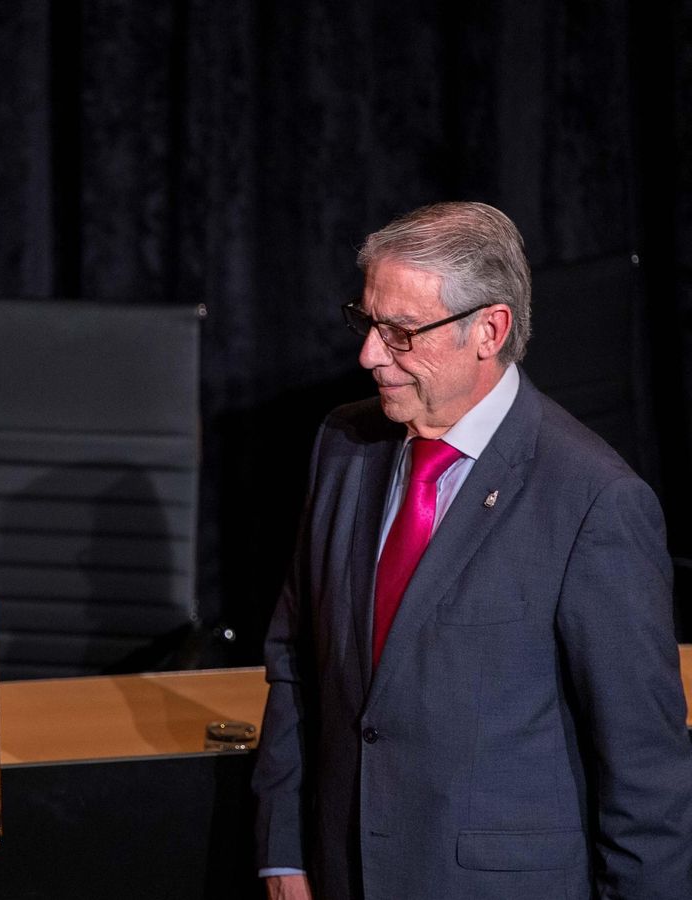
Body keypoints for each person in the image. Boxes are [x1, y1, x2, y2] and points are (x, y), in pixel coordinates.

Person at [252, 201, 692, 899]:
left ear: (490, 330)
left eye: (401, 332)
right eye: (367, 323)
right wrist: (284, 852)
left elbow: (646, 775)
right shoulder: (343, 445)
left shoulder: (595, 502)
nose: (370, 355)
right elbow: (296, 661)